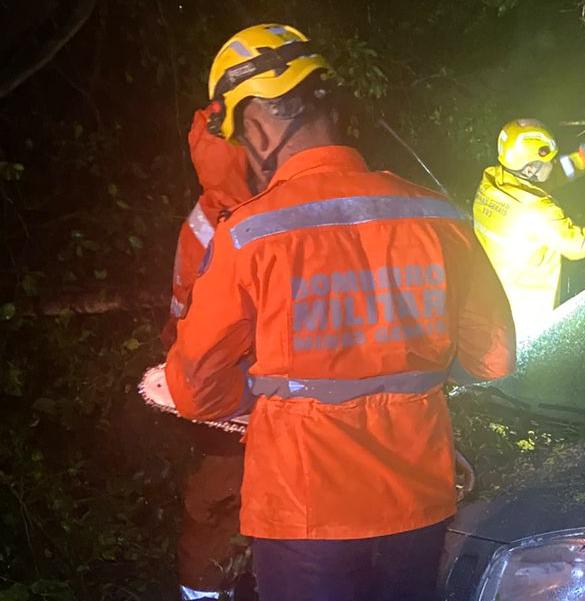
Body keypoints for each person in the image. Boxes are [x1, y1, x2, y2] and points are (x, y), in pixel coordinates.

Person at [165, 23, 515, 601]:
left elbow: (195, 389)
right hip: (418, 502)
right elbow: (495, 358)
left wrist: (258, 393)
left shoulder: (251, 234)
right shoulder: (440, 216)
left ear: (254, 126)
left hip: (304, 514)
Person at [164, 105, 254, 601]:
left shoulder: (202, 219)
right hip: (282, 390)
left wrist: (175, 356)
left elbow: (181, 302)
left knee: (211, 504)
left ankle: (201, 593)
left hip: (214, 390)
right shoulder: (290, 207)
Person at [473, 119, 585, 339]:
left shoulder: (492, 181)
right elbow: (579, 245)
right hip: (526, 313)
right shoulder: (537, 211)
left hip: (490, 301)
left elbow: (542, 180)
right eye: (549, 161)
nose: (553, 164)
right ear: (531, 168)